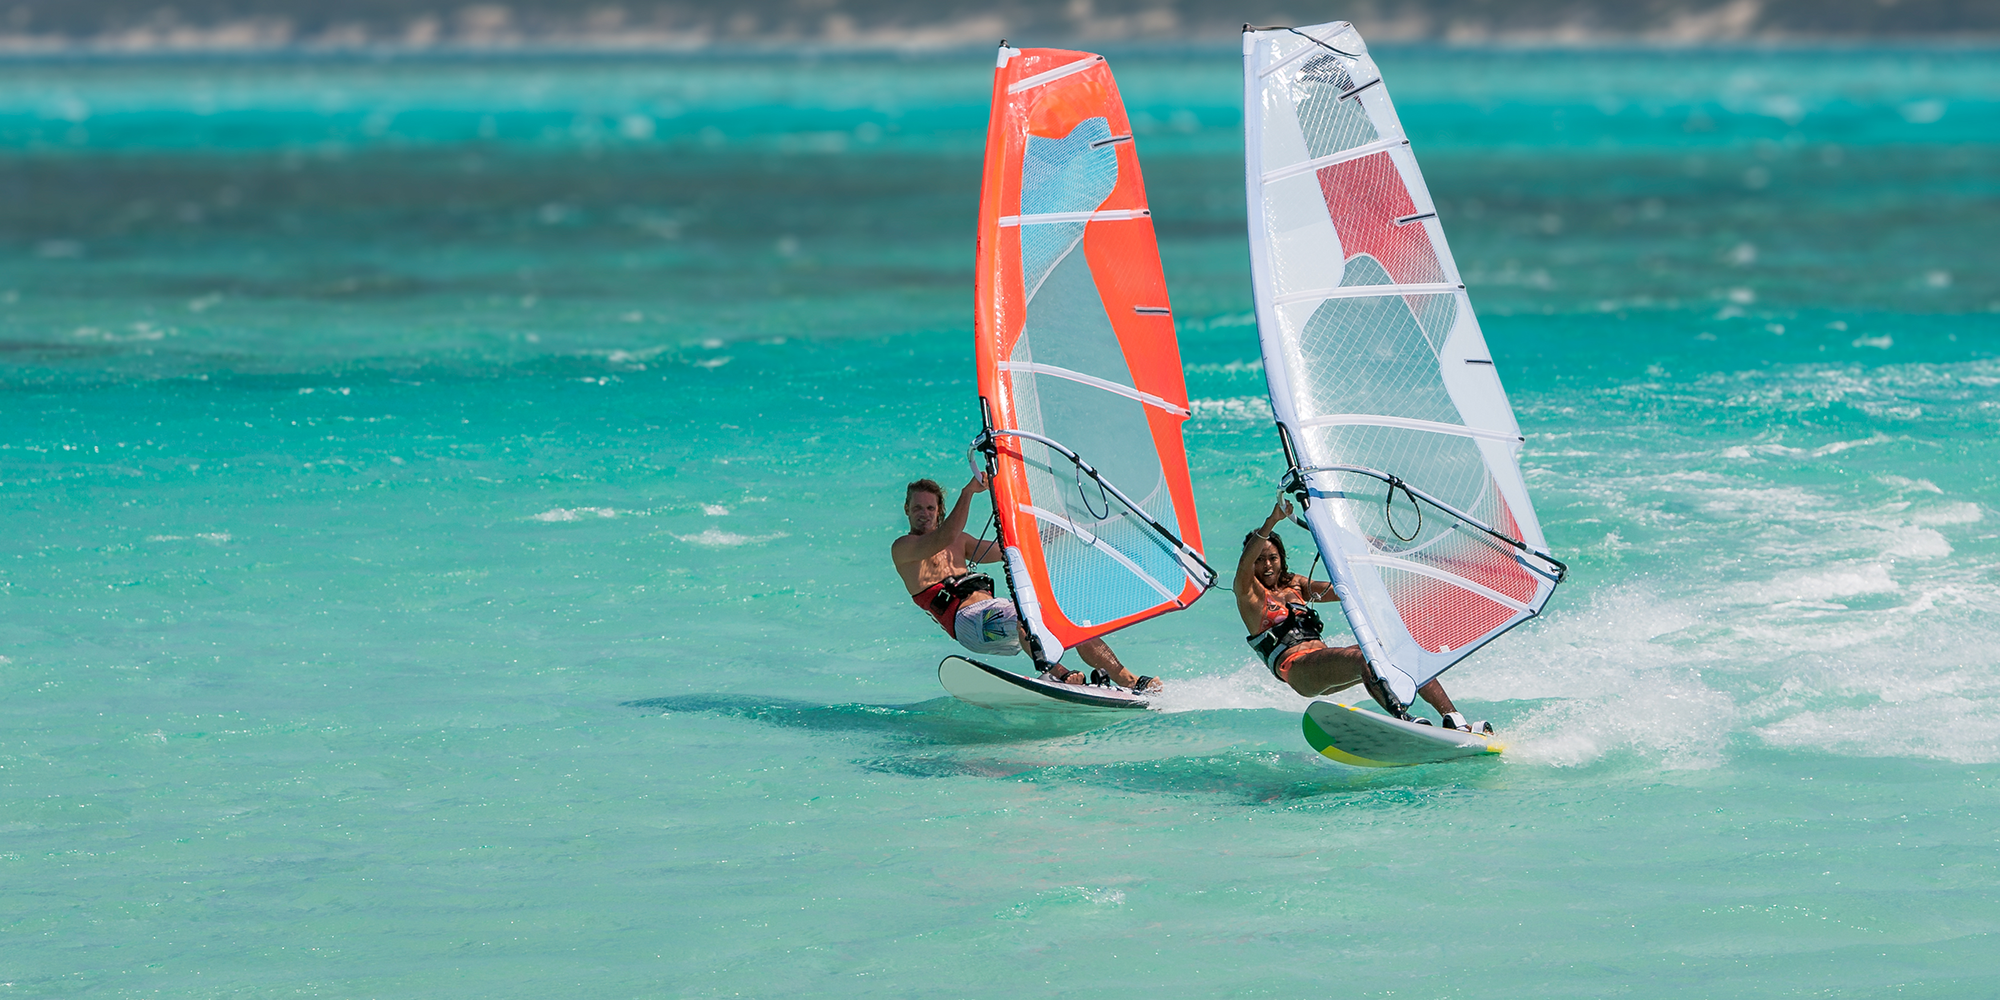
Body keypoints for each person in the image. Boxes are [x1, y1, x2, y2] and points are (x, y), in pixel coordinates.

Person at [1235, 498, 1484, 732]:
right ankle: (1404, 720)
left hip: (1326, 665)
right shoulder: (1250, 596)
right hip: (1299, 670)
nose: (1267, 565)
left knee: (1396, 653)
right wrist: (1272, 520)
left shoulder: (1296, 585)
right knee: (1363, 659)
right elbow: (1244, 566)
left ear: (1282, 559)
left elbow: (1347, 591)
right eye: (1260, 560)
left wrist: (1361, 554)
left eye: (1273, 558)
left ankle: (1455, 719)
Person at [892, 476, 1160, 693]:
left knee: (1065, 617)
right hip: (969, 625)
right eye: (917, 508)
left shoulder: (959, 541)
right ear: (907, 510)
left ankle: (1127, 678)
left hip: (999, 618)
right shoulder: (904, 548)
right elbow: (944, 535)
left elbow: (1005, 550)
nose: (924, 514)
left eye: (930, 507)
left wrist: (1053, 531)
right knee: (1026, 616)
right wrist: (968, 492)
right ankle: (1059, 673)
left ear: (939, 509)